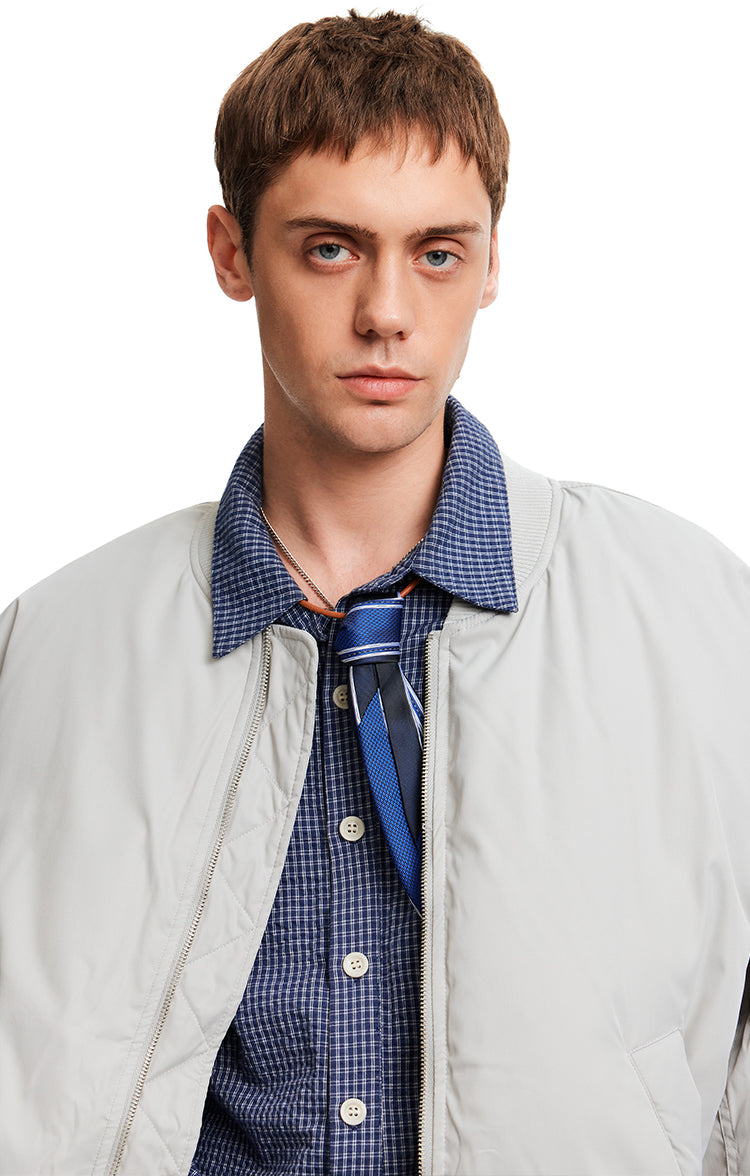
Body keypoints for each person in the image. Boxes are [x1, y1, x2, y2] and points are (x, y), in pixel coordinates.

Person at [0, 9, 748, 1176]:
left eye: (437, 252)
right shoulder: (50, 650)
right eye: (331, 248)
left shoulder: (696, 616)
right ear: (232, 252)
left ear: (492, 262)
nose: (388, 312)